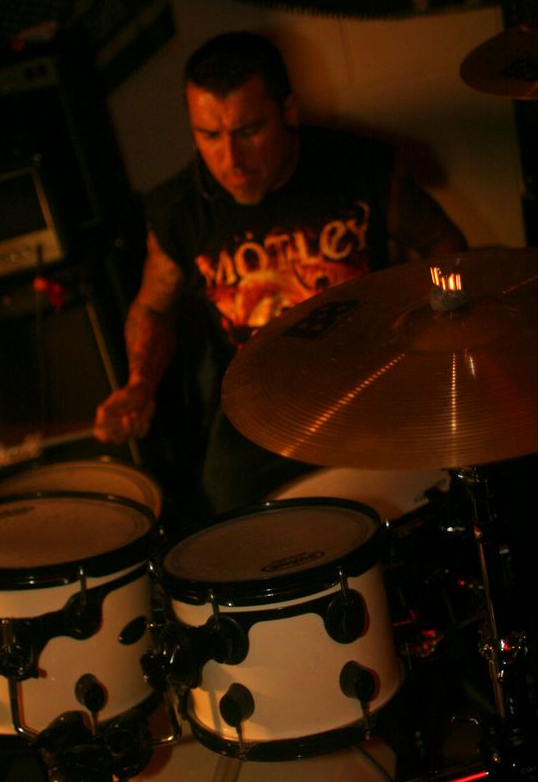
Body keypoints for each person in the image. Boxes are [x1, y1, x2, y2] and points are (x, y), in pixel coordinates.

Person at [93, 31, 467, 523]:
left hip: (368, 386)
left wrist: (438, 336)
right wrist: (140, 384)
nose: (231, 161)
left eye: (249, 130)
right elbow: (154, 308)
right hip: (254, 414)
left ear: (288, 111)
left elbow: (443, 244)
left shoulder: (359, 167)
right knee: (227, 531)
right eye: (209, 135)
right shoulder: (179, 209)